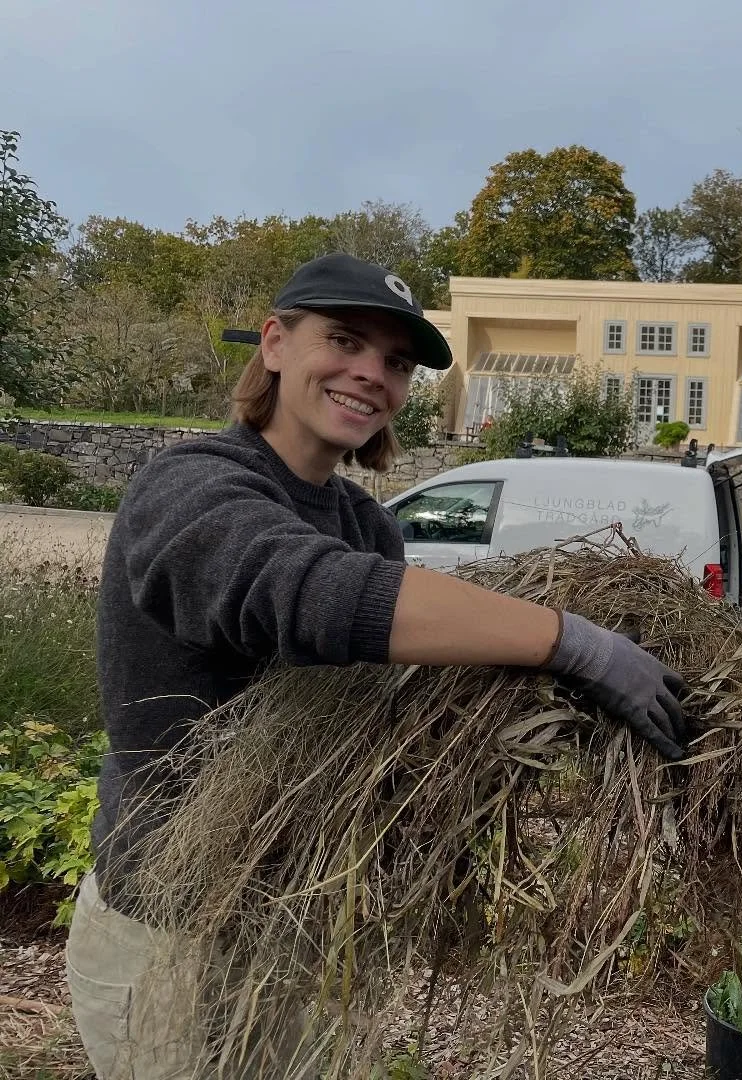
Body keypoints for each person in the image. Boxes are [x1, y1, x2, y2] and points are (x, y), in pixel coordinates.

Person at [65, 253, 692, 1079]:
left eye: (395, 362)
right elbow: (308, 596)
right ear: (276, 343)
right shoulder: (188, 487)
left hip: (305, 930)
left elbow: (393, 709)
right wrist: (570, 640)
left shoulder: (366, 523)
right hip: (179, 936)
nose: (371, 373)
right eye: (345, 340)